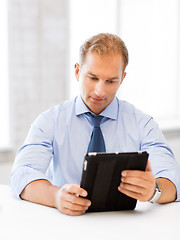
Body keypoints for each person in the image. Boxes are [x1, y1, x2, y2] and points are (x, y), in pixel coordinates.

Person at [10, 33, 180, 216]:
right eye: (92, 78)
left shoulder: (143, 124)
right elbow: (21, 174)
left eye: (110, 81)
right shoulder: (51, 121)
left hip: (126, 226)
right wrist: (56, 196)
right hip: (68, 224)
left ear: (122, 79)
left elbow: (173, 180)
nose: (100, 91)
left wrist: (154, 189)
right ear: (77, 71)